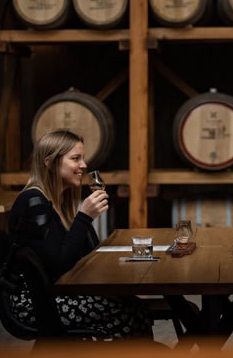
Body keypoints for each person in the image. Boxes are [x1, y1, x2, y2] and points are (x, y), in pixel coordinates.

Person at [8, 130, 153, 340]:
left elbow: (85, 254)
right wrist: (84, 217)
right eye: (75, 158)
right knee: (127, 311)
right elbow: (59, 264)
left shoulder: (58, 202)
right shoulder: (33, 202)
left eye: (83, 158)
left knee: (133, 304)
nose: (84, 166)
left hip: (54, 293)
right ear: (49, 162)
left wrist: (85, 220)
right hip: (34, 302)